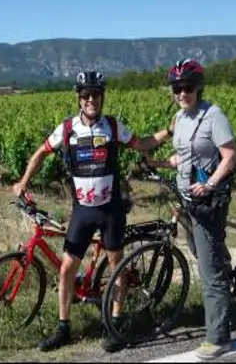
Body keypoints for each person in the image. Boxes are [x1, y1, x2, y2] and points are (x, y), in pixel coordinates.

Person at [12, 70, 169, 353]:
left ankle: (116, 322)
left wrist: (169, 131)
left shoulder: (112, 125)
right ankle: (63, 327)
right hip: (82, 211)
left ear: (102, 97)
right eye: (86, 95)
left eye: (96, 94)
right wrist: (23, 182)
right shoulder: (68, 128)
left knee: (116, 267)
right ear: (79, 98)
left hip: (111, 210)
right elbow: (40, 153)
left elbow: (142, 144)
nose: (91, 99)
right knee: (67, 269)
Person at [144, 58, 236, 360]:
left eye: (187, 87)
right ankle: (223, 270)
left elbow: (229, 156)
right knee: (203, 255)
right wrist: (157, 163)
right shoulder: (181, 117)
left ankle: (219, 338)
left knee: (209, 272)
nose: (182, 93)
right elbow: (181, 157)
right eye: (176, 88)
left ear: (198, 87)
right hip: (186, 200)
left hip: (207, 201)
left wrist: (209, 184)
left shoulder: (214, 116)